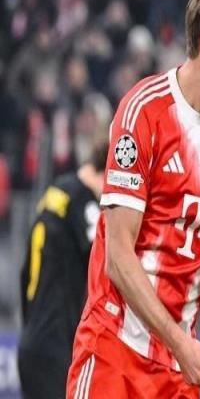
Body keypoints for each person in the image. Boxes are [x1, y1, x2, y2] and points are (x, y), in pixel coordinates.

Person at [66, 0, 200, 399]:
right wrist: (180, 343)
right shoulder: (144, 113)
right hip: (114, 354)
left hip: (177, 369)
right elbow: (118, 258)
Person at [18, 138, 108, 399]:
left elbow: (25, 274)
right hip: (57, 349)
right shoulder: (84, 204)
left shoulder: (55, 193)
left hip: (32, 342)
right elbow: (109, 263)